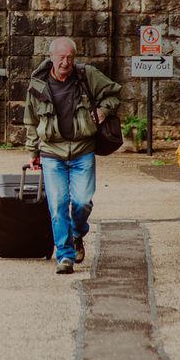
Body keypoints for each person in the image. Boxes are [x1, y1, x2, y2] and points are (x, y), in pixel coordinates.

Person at [23, 36, 121, 274]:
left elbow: (114, 93)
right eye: (61, 57)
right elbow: (31, 121)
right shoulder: (37, 85)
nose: (65, 62)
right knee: (57, 205)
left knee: (82, 202)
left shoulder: (87, 75)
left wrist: (103, 111)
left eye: (69, 57)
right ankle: (64, 256)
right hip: (51, 154)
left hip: (82, 151)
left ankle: (77, 233)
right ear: (51, 58)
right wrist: (33, 152)